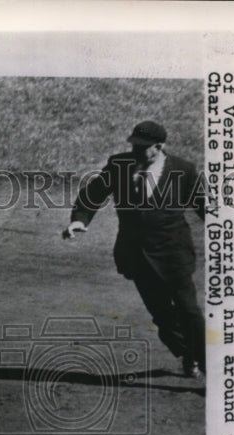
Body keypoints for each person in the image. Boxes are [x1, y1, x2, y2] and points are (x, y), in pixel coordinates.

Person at [63, 120, 206, 377]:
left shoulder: (184, 170)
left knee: (189, 311)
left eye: (142, 148)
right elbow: (93, 194)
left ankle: (209, 367)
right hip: (137, 255)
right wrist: (79, 220)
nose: (136, 152)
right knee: (163, 317)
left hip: (174, 254)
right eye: (134, 146)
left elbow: (206, 207)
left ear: (159, 147)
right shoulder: (120, 165)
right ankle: (188, 353)